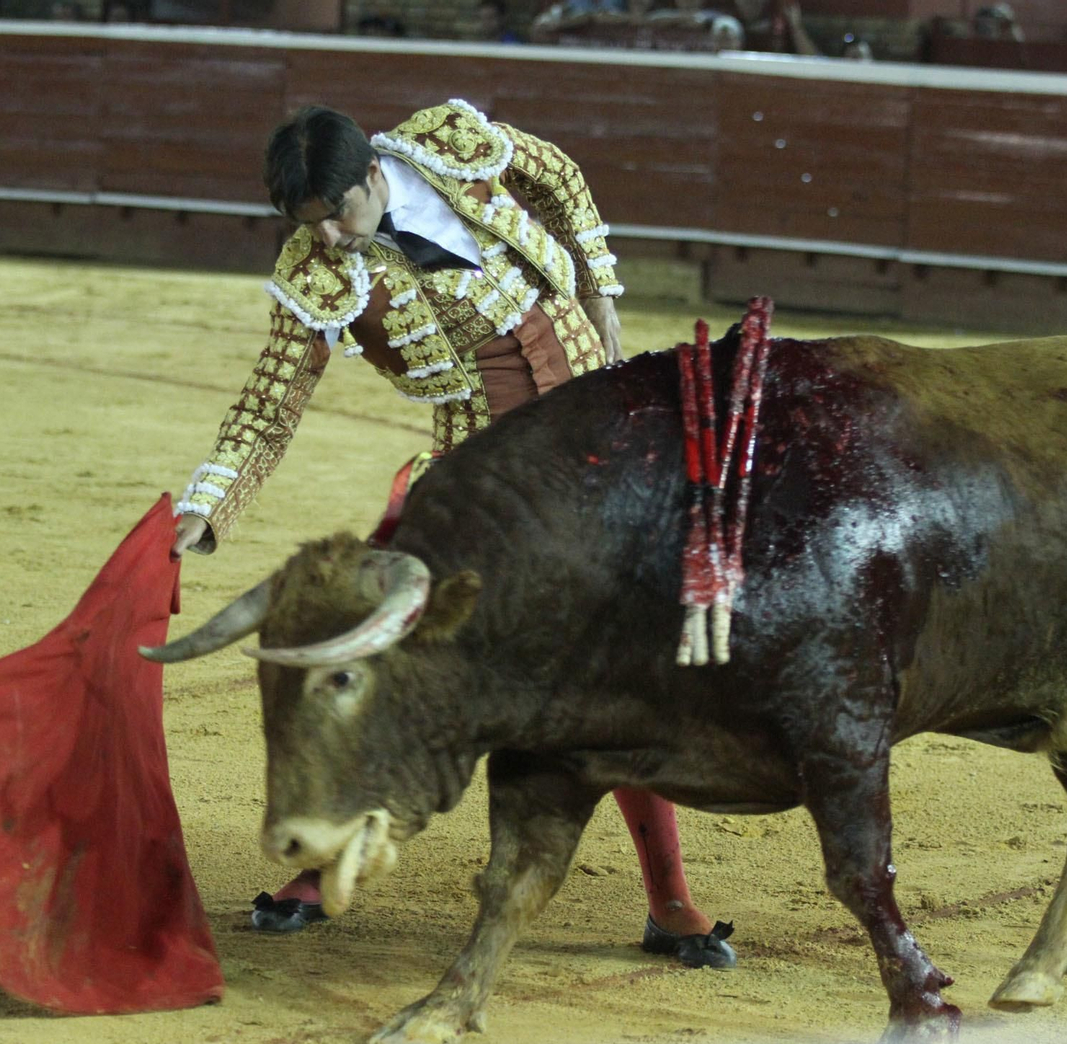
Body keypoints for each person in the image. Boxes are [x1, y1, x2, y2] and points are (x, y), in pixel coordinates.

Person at [169, 101, 734, 969]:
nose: (330, 243)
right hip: (485, 470)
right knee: (383, 644)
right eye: (309, 228)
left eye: (338, 217)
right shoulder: (316, 274)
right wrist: (207, 507)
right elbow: (271, 399)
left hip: (600, 436)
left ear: (369, 177)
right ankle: (322, 864)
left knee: (630, 658)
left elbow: (558, 175)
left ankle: (670, 896)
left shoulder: (448, 147)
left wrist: (599, 288)